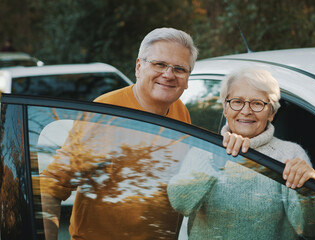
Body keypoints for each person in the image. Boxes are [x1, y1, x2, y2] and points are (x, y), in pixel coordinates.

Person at [40, 27, 249, 240]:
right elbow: (51, 185)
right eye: (159, 64)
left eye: (179, 69)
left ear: (187, 80)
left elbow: (192, 176)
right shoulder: (105, 112)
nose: (168, 74)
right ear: (139, 67)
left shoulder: (181, 112)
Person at [167, 67, 315, 239]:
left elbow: (310, 230)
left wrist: (307, 192)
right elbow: (180, 203)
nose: (246, 111)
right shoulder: (204, 151)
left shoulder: (291, 153)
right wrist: (216, 161)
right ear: (225, 108)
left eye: (257, 103)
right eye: (237, 101)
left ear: (271, 113)